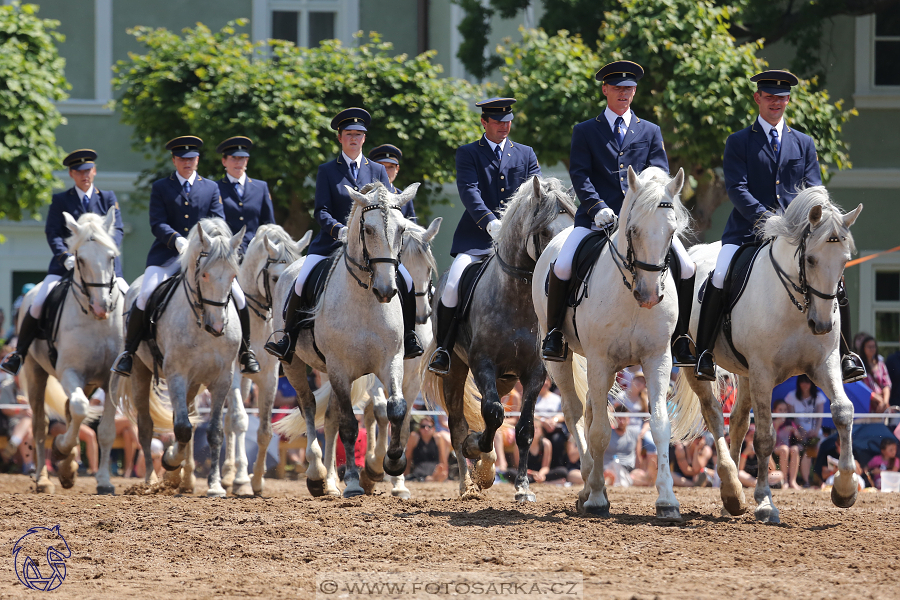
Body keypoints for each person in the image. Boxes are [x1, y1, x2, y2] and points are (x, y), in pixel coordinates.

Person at [694, 70, 865, 383]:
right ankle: (704, 352)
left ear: (788, 100)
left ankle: (846, 354)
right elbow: (737, 188)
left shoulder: (803, 143)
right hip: (747, 232)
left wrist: (821, 217)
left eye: (782, 97)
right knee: (719, 274)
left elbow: (815, 188)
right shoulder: (739, 142)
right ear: (758, 98)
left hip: (797, 238)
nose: (776, 102)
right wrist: (768, 220)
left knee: (834, 280)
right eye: (770, 97)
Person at [541, 61, 697, 367]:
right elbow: (581, 175)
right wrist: (597, 207)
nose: (623, 93)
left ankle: (680, 338)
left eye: (628, 88)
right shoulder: (585, 131)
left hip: (642, 222)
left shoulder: (649, 130)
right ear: (605, 90)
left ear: (635, 91)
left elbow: (661, 175)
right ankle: (555, 333)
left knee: (688, 266)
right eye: (617, 88)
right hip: (595, 220)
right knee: (561, 265)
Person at [265, 108, 423, 362]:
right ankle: (288, 338)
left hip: (373, 247)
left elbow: (385, 211)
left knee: (406, 280)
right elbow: (321, 210)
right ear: (340, 137)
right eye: (349, 134)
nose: (354, 139)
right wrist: (338, 229)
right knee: (301, 279)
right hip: (331, 242)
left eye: (359, 135)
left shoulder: (378, 171)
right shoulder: (327, 170)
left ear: (364, 139)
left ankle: (409, 337)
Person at [112, 136, 260, 376]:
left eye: (191, 158)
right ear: (174, 160)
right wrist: (177, 240)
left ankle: (246, 352)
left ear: (198, 160)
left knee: (240, 298)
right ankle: (128, 353)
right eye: (182, 158)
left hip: (205, 259)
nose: (187, 162)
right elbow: (157, 223)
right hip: (168, 255)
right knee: (144, 296)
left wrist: (211, 245)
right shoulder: (161, 187)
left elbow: (219, 222)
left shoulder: (210, 187)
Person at [427, 97, 542, 375]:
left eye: (507, 121)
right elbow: (469, 191)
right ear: (484, 122)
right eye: (498, 122)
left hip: (518, 243)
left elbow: (536, 193)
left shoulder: (525, 154)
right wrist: (489, 223)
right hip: (478, 238)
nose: (504, 126)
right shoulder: (468, 153)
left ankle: (554, 340)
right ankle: (443, 348)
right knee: (453, 283)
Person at [1, 149, 126, 376]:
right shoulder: (61, 200)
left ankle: (131, 353)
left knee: (131, 301)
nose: (84, 175)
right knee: (37, 302)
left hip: (103, 271)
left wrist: (108, 249)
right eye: (79, 171)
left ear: (94, 171)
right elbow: (53, 233)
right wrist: (65, 257)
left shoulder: (108, 197)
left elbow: (117, 229)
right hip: (66, 266)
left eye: (88, 170)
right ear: (71, 174)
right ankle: (19, 354)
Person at [215, 136, 276, 256]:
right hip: (225, 254)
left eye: (242, 158)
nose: (238, 163)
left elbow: (269, 224)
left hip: (256, 253)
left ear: (247, 161)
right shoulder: (215, 188)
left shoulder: (261, 187)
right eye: (233, 158)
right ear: (224, 161)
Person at [368, 144, 416, 222]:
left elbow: (411, 231)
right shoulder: (364, 195)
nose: (386, 171)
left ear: (397, 169)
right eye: (381, 166)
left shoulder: (403, 198)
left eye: (391, 167)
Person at [737, 424, 785, 488]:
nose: (754, 439)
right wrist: (745, 453)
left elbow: (772, 469)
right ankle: (762, 486)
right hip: (747, 477)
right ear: (745, 437)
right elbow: (740, 469)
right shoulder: (741, 447)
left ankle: (757, 485)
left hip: (760, 478)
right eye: (751, 436)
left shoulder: (762, 446)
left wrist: (766, 454)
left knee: (779, 474)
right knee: (739, 474)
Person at [404, 416, 450, 482]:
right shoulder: (415, 437)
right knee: (424, 475)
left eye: (429, 427)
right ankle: (433, 478)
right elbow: (408, 458)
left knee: (440, 471)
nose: (426, 429)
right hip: (420, 468)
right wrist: (406, 474)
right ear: (419, 428)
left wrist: (445, 473)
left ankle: (433, 478)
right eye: (423, 426)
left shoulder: (438, 438)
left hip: (434, 467)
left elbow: (443, 459)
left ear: (433, 429)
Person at [772, 399, 804, 489]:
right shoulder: (771, 423)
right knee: (784, 449)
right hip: (776, 448)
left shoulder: (790, 422)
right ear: (774, 411)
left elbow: (800, 438)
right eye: (780, 410)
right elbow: (770, 441)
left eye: (785, 410)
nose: (783, 412)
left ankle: (793, 481)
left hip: (788, 447)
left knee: (794, 449)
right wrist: (776, 426)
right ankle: (785, 481)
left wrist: (795, 431)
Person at [857, 334, 892, 413]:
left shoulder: (880, 364)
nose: (872, 349)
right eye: (869, 347)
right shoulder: (857, 365)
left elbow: (887, 384)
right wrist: (874, 397)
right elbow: (859, 386)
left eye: (873, 346)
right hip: (866, 403)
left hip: (881, 404)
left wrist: (884, 402)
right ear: (863, 348)